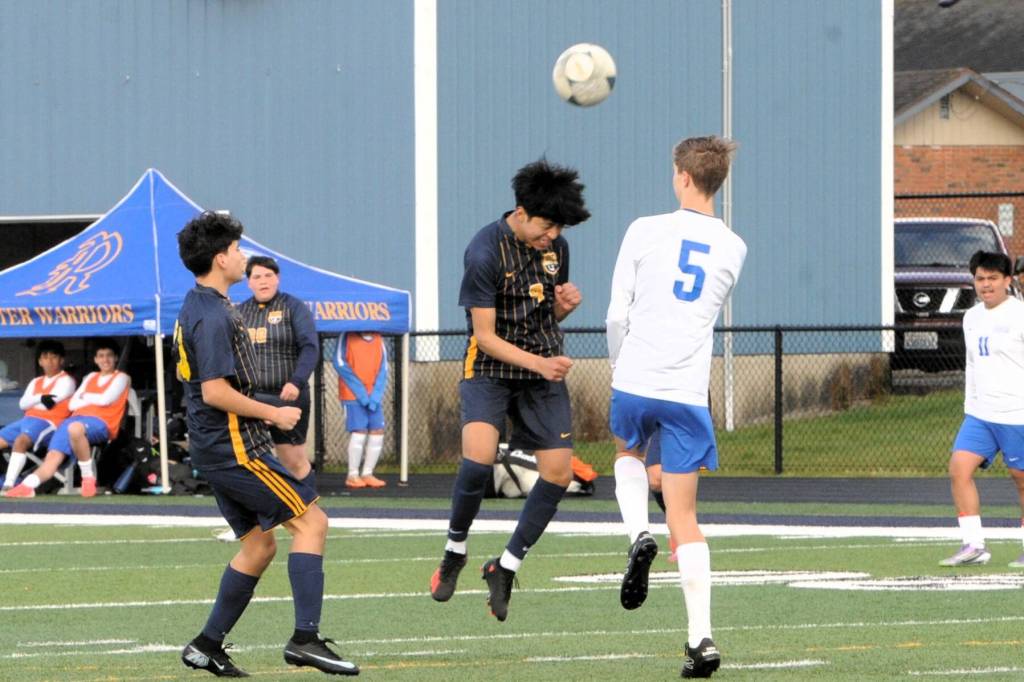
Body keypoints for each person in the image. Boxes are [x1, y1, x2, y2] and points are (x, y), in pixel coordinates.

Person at [174, 211, 357, 677]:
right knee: (313, 523)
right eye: (236, 250)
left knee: (259, 548)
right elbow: (215, 391)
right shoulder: (214, 314)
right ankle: (305, 639)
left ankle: (205, 645)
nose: (241, 256)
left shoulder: (200, 303)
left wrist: (271, 405)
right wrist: (274, 413)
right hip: (233, 448)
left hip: (218, 447)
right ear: (220, 258)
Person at [606, 136, 746, 678]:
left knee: (628, 452)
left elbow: (619, 313)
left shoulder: (644, 229)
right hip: (688, 389)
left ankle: (638, 531)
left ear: (682, 175)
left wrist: (620, 364)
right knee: (686, 517)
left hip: (638, 373)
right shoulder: (734, 247)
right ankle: (701, 638)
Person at [428, 159, 590, 622]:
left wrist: (562, 309)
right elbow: (486, 336)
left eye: (558, 227)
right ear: (520, 212)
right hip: (491, 369)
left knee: (558, 474)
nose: (552, 235)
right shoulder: (483, 253)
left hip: (541, 375)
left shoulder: (557, 247)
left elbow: (546, 315)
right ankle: (454, 550)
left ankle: (505, 566)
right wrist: (540, 361)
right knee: (478, 459)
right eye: (545, 225)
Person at [940, 250, 1024, 568]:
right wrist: (969, 406)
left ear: (1007, 280)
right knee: (959, 469)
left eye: (992, 278)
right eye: (980, 278)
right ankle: (974, 546)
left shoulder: (1020, 314)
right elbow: (972, 365)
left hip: (1018, 414)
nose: (986, 285)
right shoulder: (970, 317)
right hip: (980, 415)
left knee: (1021, 479)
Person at [4, 340, 130, 499]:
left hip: (102, 423)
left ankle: (88, 478)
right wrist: (90, 398)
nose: (105, 360)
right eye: (101, 356)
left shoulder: (121, 377)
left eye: (109, 356)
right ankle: (28, 485)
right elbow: (72, 404)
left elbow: (105, 400)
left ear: (116, 358)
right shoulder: (90, 376)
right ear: (96, 359)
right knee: (53, 457)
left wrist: (86, 396)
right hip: (73, 421)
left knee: (75, 428)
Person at [236, 255, 318, 486]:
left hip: (287, 397)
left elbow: (310, 348)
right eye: (257, 276)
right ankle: (265, 515)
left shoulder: (294, 307)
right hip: (252, 400)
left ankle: (308, 511)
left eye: (268, 275)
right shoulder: (240, 312)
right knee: (251, 461)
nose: (263, 281)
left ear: (278, 279)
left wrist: (296, 381)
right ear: (249, 282)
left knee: (293, 460)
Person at [0, 340, 76, 491]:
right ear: (40, 361)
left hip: (50, 423)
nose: (49, 361)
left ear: (62, 360)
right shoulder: (36, 381)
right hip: (27, 420)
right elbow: (23, 404)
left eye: (54, 357)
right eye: (45, 357)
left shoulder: (66, 380)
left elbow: (50, 403)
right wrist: (40, 398)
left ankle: (8, 486)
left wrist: (35, 400)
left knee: (21, 441)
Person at [333, 331, 389, 489]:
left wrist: (376, 395)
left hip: (374, 397)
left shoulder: (379, 337)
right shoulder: (346, 335)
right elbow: (339, 363)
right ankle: (352, 475)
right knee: (359, 432)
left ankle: (368, 473)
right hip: (352, 395)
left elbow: (383, 368)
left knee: (377, 430)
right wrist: (362, 394)